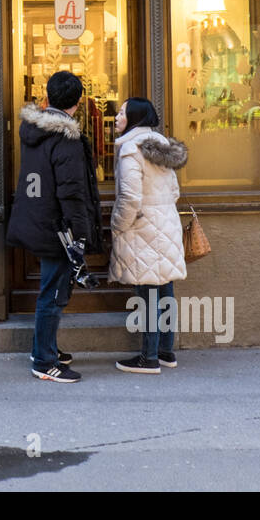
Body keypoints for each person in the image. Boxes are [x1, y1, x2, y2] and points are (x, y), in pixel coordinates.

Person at [6, 71, 103, 383]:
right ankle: (44, 361)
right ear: (79, 103)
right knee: (54, 293)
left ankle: (44, 349)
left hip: (38, 220)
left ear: (47, 98)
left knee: (51, 289)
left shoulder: (35, 130)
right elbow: (71, 192)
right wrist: (80, 235)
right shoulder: (65, 139)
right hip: (58, 227)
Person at [108, 97, 189, 375]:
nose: (117, 117)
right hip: (166, 222)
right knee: (165, 288)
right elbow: (175, 192)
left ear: (135, 118)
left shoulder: (131, 149)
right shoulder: (161, 145)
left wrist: (118, 224)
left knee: (147, 293)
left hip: (142, 226)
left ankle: (148, 358)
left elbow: (130, 197)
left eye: (121, 113)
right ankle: (166, 352)